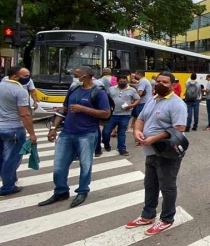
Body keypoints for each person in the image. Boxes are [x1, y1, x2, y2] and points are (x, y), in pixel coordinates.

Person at [39, 66, 111, 208]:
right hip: (66, 133)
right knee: (59, 166)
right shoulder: (73, 89)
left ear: (87, 76)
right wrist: (53, 128)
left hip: (87, 134)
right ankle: (61, 191)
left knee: (85, 165)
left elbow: (106, 113)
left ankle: (82, 191)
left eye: (77, 75)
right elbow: (64, 109)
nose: (75, 77)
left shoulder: (99, 92)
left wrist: (83, 109)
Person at [125, 71, 187, 236]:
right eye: (158, 81)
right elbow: (141, 118)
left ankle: (167, 219)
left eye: (165, 82)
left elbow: (179, 129)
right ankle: (148, 215)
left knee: (167, 187)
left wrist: (154, 138)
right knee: (150, 185)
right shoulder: (152, 100)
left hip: (167, 153)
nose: (160, 84)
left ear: (173, 85)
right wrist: (137, 130)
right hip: (150, 152)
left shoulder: (177, 104)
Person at [0, 66, 38, 196]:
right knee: (12, 159)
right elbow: (25, 115)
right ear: (15, 77)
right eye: (26, 76)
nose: (28, 78)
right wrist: (32, 134)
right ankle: (8, 186)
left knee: (2, 157)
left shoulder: (1, 84)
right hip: (14, 129)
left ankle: (10, 179)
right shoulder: (19, 91)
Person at [101, 75, 140, 156]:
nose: (123, 83)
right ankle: (106, 144)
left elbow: (138, 99)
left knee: (121, 133)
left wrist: (131, 106)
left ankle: (122, 149)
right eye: (121, 81)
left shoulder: (132, 90)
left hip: (125, 115)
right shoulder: (111, 89)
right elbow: (105, 98)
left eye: (125, 82)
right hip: (112, 115)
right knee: (106, 132)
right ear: (117, 81)